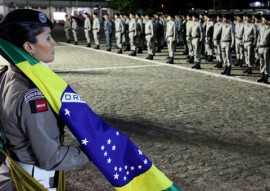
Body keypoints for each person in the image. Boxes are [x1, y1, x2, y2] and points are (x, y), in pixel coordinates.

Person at [0, 9, 89, 190]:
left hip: (15, 172)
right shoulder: (32, 94)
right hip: (35, 181)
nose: (54, 42)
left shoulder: (5, 75)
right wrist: (92, 151)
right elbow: (51, 157)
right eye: (48, 38)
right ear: (28, 47)